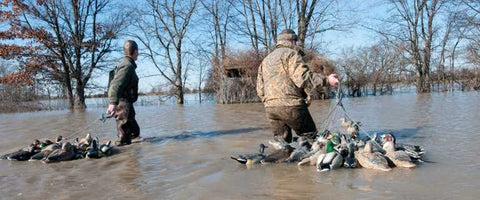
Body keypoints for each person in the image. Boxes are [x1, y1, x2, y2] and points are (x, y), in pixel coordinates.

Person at [256, 29, 339, 143]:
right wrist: (326, 80)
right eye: (295, 41)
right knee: (311, 140)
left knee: (283, 145)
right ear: (292, 41)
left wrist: (271, 102)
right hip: (292, 106)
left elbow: (260, 90)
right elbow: (303, 78)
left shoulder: (265, 60)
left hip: (271, 109)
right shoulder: (291, 54)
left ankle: (285, 159)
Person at [106, 40, 140, 146]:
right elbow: (115, 84)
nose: (138, 54)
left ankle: (130, 156)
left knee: (135, 132)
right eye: (137, 52)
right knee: (124, 137)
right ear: (135, 51)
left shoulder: (126, 64)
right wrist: (113, 103)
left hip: (126, 103)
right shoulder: (127, 66)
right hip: (122, 103)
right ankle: (120, 155)